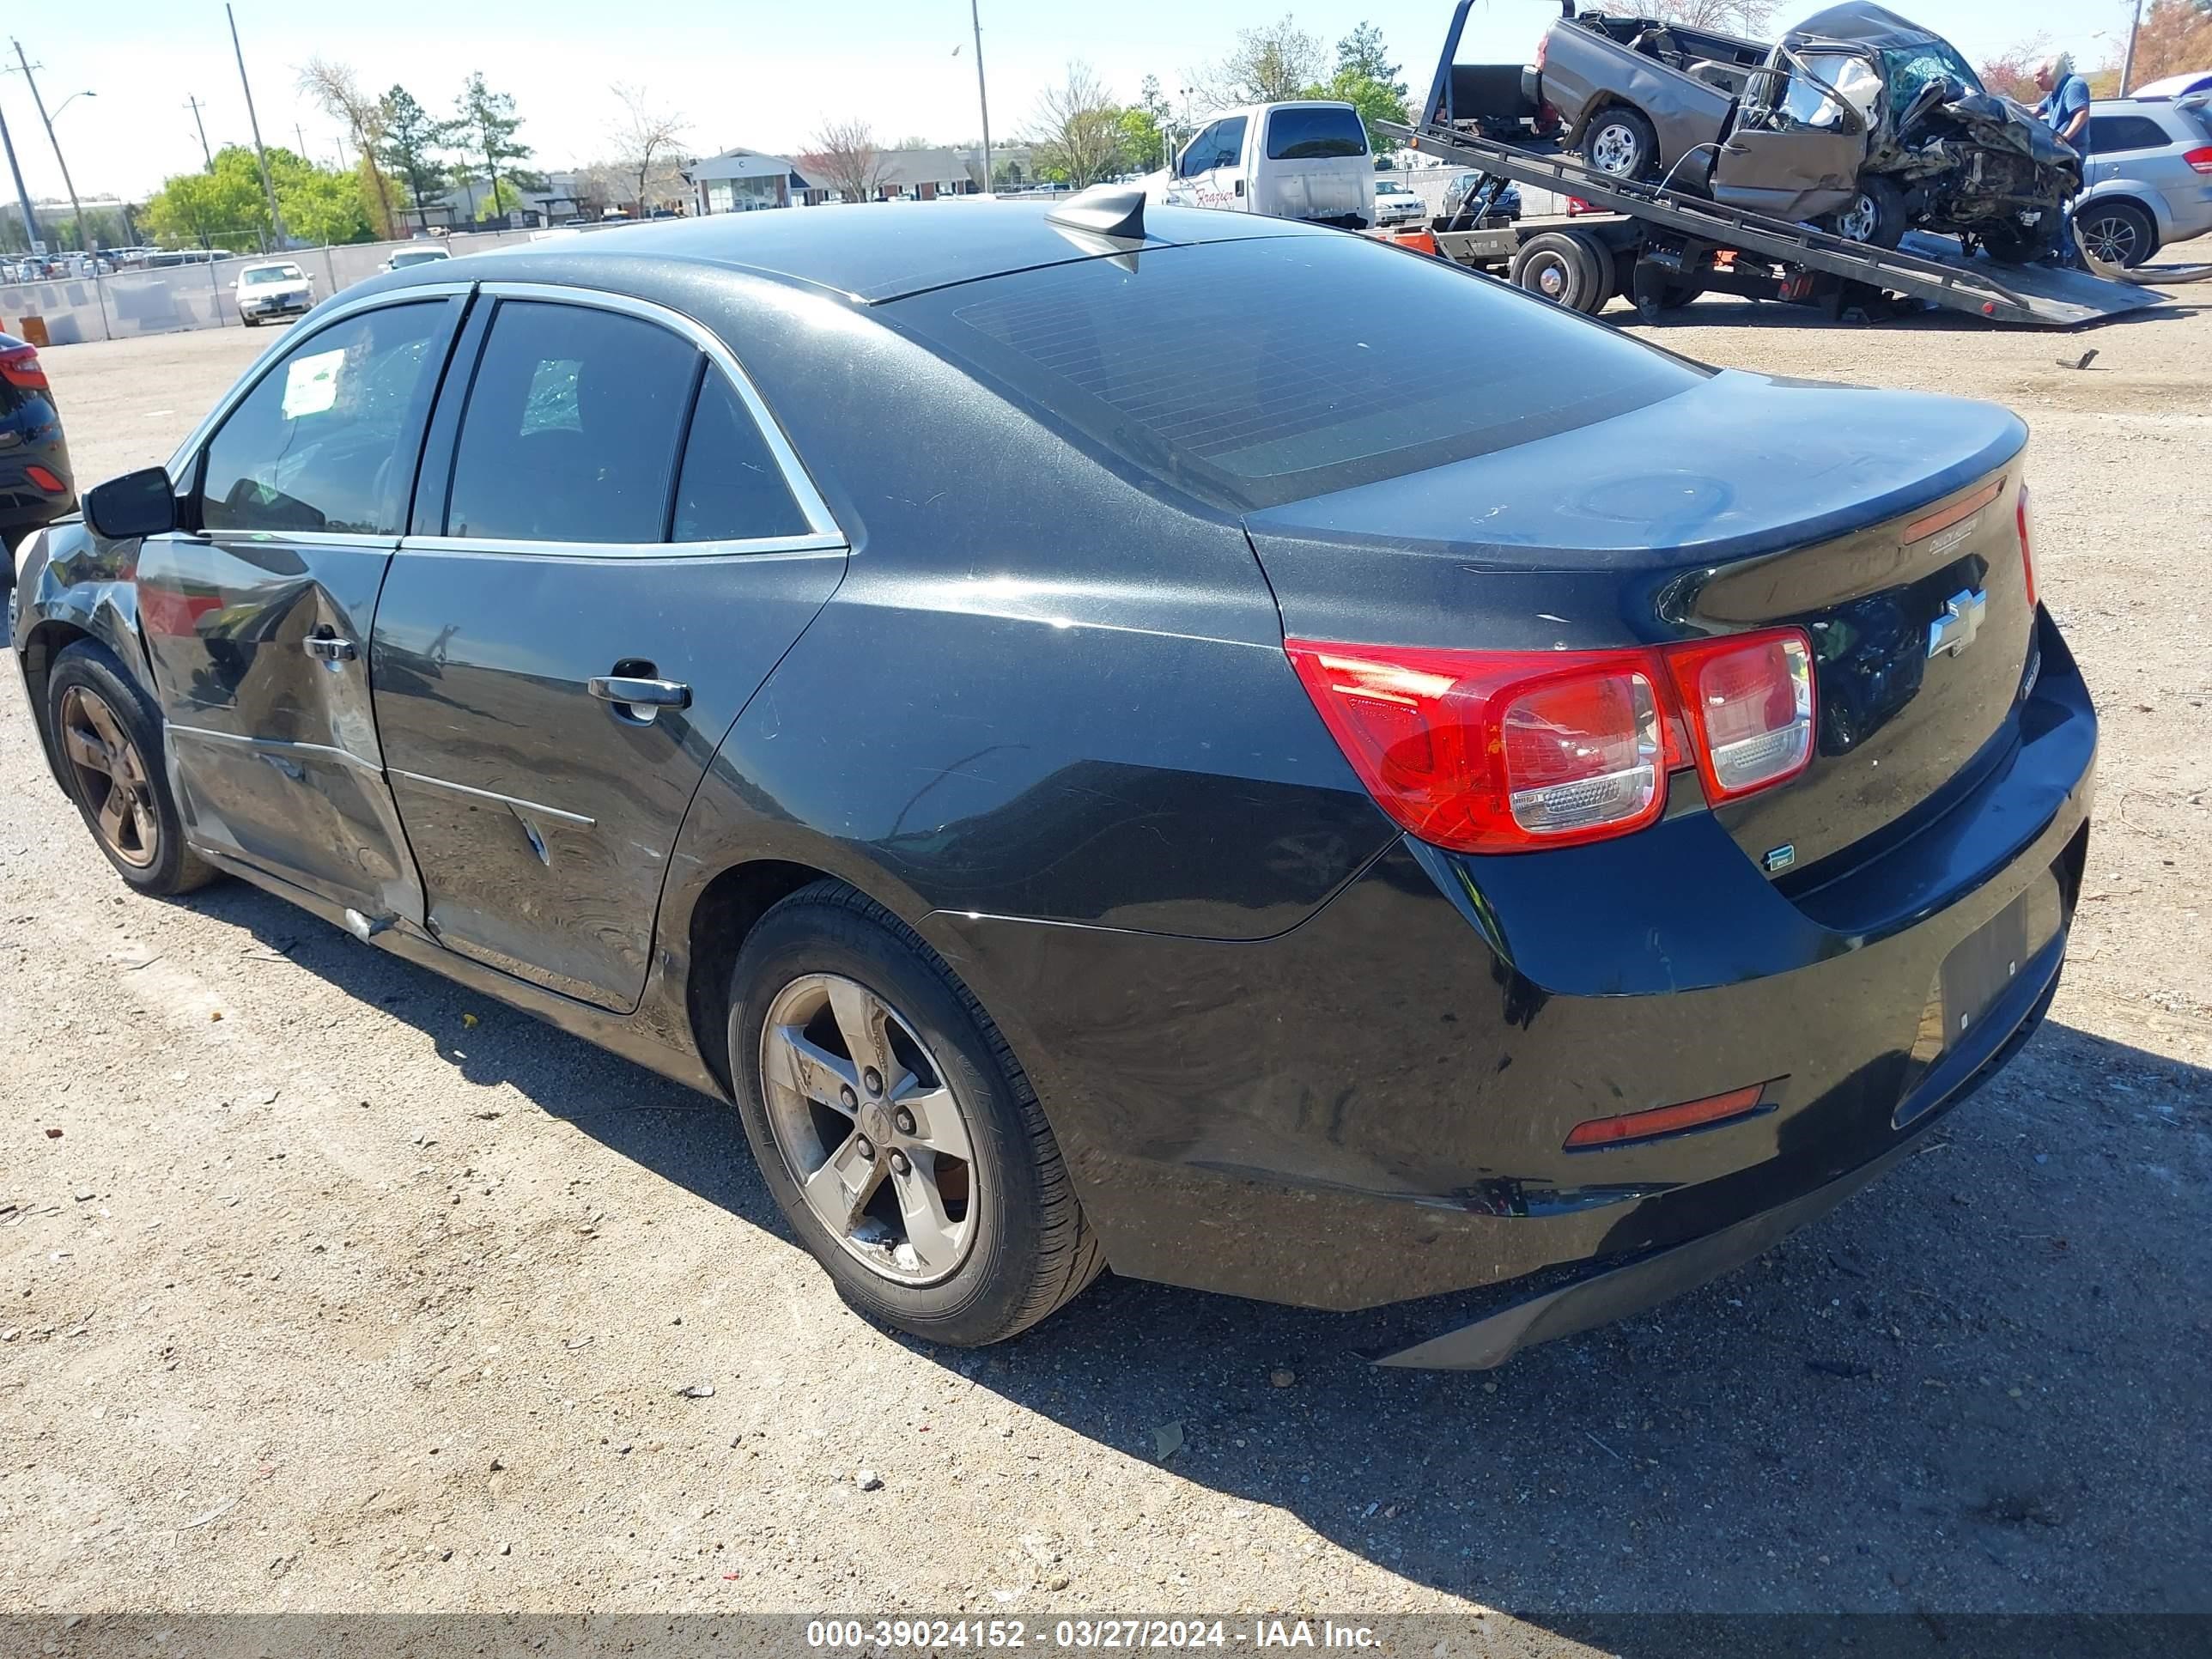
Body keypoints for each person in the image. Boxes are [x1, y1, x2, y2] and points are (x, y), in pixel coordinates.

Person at [2033, 53, 2092, 265]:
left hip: (2067, 154)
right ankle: (2045, 249)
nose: (2036, 80)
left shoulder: (2073, 85)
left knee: (2053, 201)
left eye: (2039, 74)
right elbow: (2035, 113)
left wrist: (2064, 138)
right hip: (2055, 153)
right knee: (2044, 201)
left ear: (2052, 71)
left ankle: (2064, 252)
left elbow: (2082, 113)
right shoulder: (2054, 93)